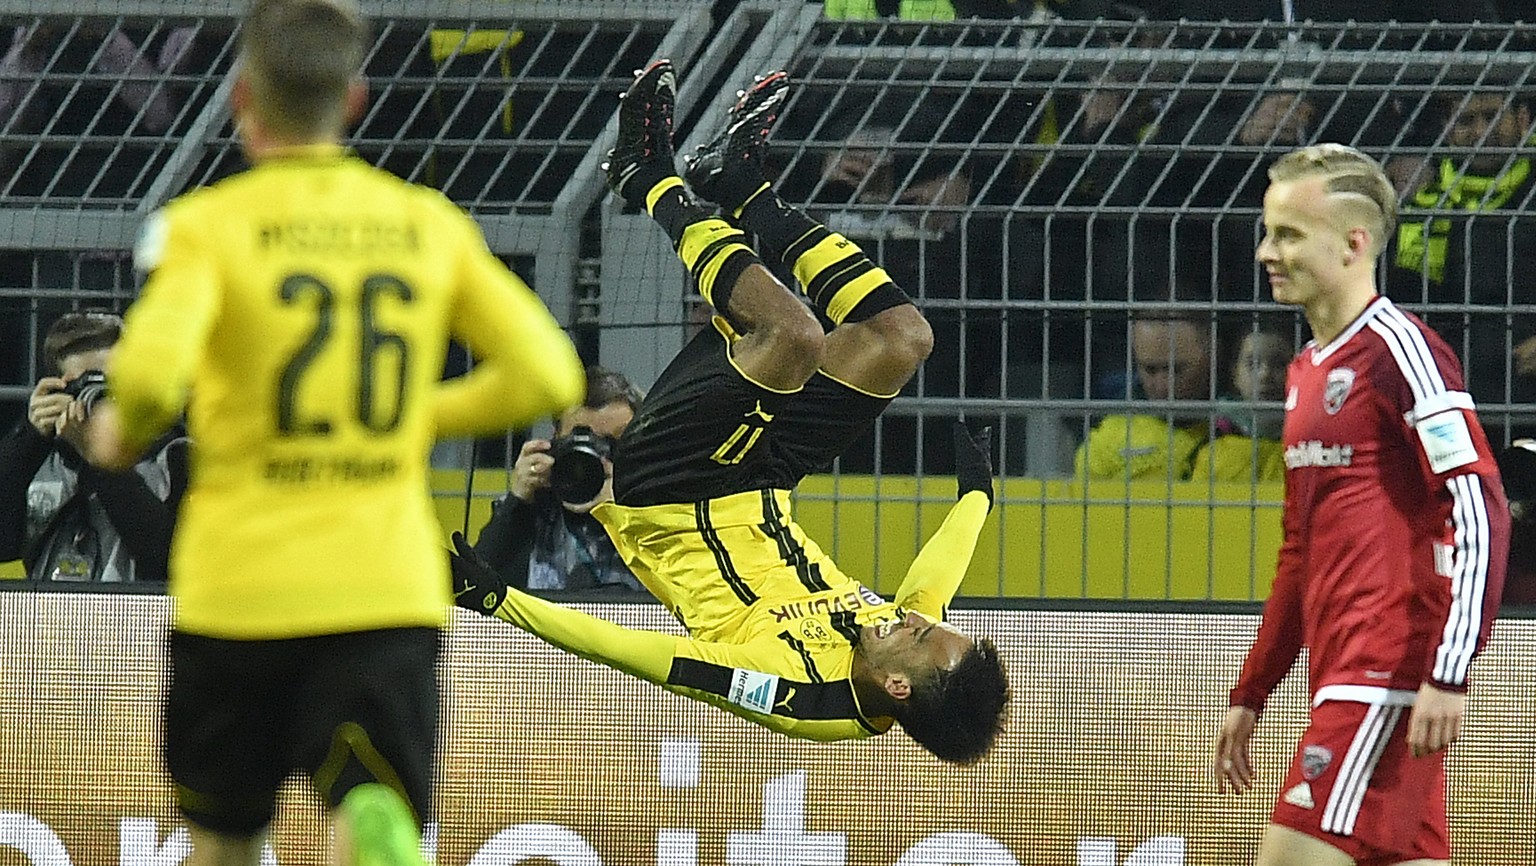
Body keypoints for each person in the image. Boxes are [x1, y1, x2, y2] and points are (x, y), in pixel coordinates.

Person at [76, 1, 585, 864]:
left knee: (225, 834)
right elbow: (547, 375)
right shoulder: (424, 222)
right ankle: (376, 827)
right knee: (369, 795)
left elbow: (153, 381)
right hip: (380, 588)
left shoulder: (208, 227)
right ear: (354, 99)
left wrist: (117, 438)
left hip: (237, 592)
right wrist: (407, 418)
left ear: (243, 98)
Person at [452, 62, 1011, 765]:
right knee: (902, 339)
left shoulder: (801, 699)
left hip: (671, 489)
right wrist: (977, 498)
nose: (919, 618)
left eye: (924, 635)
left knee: (795, 337)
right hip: (762, 479)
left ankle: (647, 177)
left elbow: (647, 656)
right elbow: (936, 580)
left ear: (897, 686)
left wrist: (503, 602)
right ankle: (742, 184)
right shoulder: (899, 641)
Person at [1212, 143, 1510, 866]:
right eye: (1267, 231)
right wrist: (1253, 690)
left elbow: (1480, 507)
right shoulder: (1305, 370)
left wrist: (1449, 673)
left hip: (1385, 674)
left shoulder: (1400, 352)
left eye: (1287, 234)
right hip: (1346, 675)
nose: (1265, 253)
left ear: (1353, 243)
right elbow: (1300, 550)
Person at [0, 310, 187, 582]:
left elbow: (167, 555)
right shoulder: (37, 459)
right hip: (41, 619)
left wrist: (99, 457)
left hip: (138, 619)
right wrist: (28, 440)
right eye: (83, 385)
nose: (99, 398)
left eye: (111, 384)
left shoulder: (173, 457)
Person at [1388, 92, 1536, 429]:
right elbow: (1405, 297)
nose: (1482, 130)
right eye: (1466, 121)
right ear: (1447, 130)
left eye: (1492, 116)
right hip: (1449, 387)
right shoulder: (1425, 199)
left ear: (1523, 120)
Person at [471, 364, 648, 593]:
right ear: (554, 441)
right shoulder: (534, 504)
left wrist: (624, 515)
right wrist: (516, 504)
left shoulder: (654, 508)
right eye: (581, 439)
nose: (596, 456)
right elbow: (475, 590)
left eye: (611, 444)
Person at [1074, 302, 1221, 480]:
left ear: (1213, 355)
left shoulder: (1247, 429)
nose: (1162, 386)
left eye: (1175, 370)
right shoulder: (1109, 441)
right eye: (1149, 370)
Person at [1189, 325, 1293, 483]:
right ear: (1235, 373)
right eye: (1252, 364)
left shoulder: (1312, 444)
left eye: (1279, 364)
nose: (1265, 375)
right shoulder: (1211, 445)